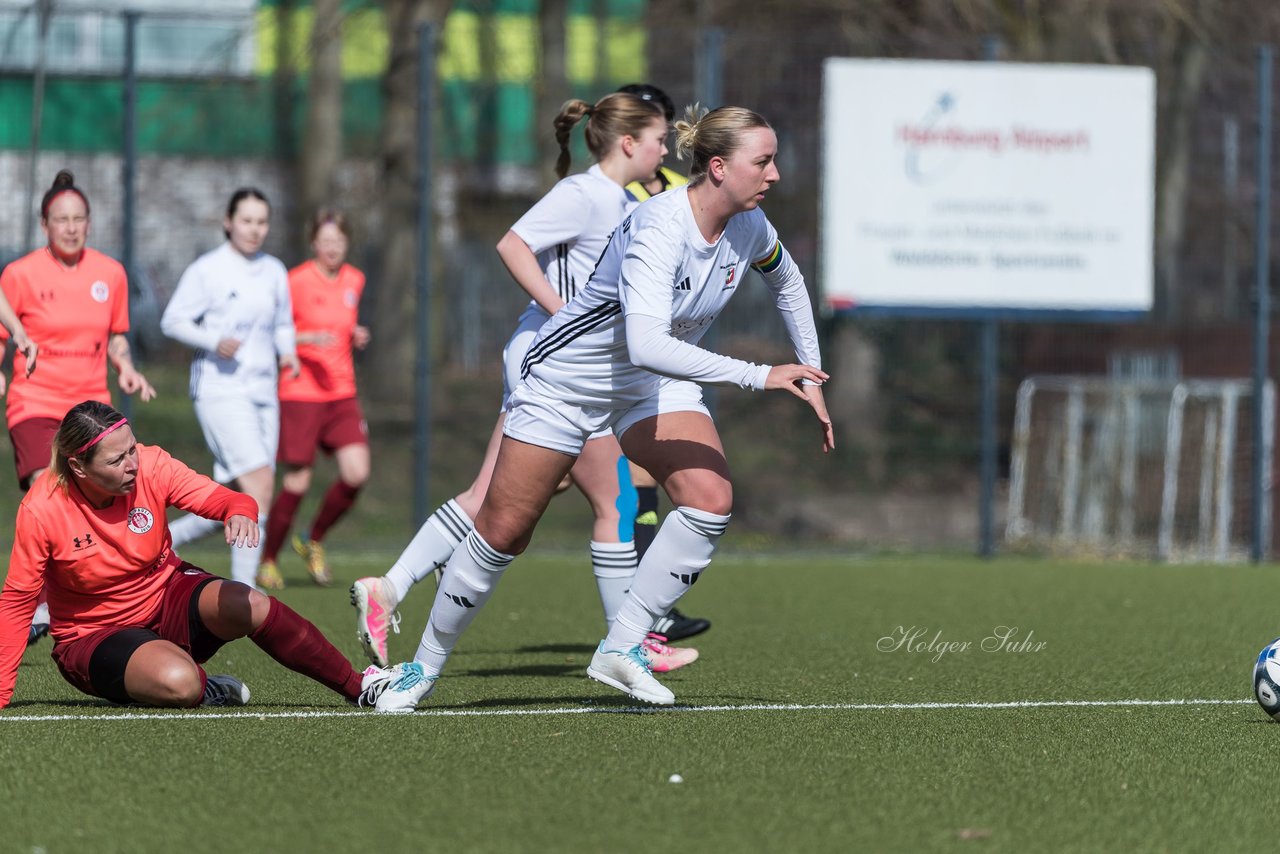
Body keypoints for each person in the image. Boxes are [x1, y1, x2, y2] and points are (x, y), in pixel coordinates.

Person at [374, 105, 832, 712]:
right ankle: (420, 669)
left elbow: (789, 283)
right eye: (763, 161)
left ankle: (622, 646)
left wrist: (811, 369)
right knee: (505, 530)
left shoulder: (749, 226)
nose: (774, 174)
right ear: (719, 168)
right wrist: (762, 375)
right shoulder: (659, 226)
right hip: (569, 382)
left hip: (650, 384)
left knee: (710, 498)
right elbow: (646, 343)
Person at [351, 92, 697, 674]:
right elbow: (512, 243)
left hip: (567, 363)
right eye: (660, 138)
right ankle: (628, 648)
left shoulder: (618, 199)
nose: (666, 151)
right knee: (613, 499)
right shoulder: (586, 194)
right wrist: (561, 312)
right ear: (629, 143)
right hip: (554, 363)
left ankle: (389, 587)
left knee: (495, 497)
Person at [0, 401, 397, 710]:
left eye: (132, 450)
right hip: (94, 637)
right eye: (116, 460)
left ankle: (360, 686)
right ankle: (205, 686)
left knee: (250, 602)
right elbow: (18, 604)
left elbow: (225, 497)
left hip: (166, 594)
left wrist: (239, 511)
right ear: (78, 467)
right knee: (182, 683)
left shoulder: (152, 465)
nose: (132, 465)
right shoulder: (43, 508)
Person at [1, 169, 155, 646]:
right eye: (60, 219)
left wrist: (125, 367)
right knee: (46, 489)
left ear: (89, 223)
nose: (70, 227)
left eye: (78, 219)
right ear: (44, 224)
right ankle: (39, 602)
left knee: (90, 504)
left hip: (91, 412)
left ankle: (60, 602)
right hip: (35, 401)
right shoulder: (20, 274)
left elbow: (117, 336)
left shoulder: (110, 274)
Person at [160, 188, 300, 591]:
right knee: (259, 487)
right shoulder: (209, 269)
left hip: (263, 393)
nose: (254, 229)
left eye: (261, 222)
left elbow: (282, 323)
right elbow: (173, 320)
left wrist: (288, 353)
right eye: (246, 220)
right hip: (221, 390)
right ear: (228, 222)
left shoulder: (274, 270)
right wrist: (212, 339)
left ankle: (158, 543)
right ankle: (247, 595)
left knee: (242, 498)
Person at [617, 82, 710, 643]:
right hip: (614, 353)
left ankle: (644, 620)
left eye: (663, 122)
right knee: (508, 505)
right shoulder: (610, 191)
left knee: (645, 486)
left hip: (662, 356)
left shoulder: (680, 191)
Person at [258, 209, 370, 587]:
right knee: (297, 483)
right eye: (325, 242)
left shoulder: (355, 279)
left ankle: (312, 538)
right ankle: (268, 558)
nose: (332, 248)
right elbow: (274, 330)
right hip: (300, 391)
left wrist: (354, 335)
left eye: (338, 242)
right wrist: (307, 340)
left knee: (357, 473)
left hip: (342, 392)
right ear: (313, 244)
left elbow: (343, 324)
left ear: (347, 243)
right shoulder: (295, 281)